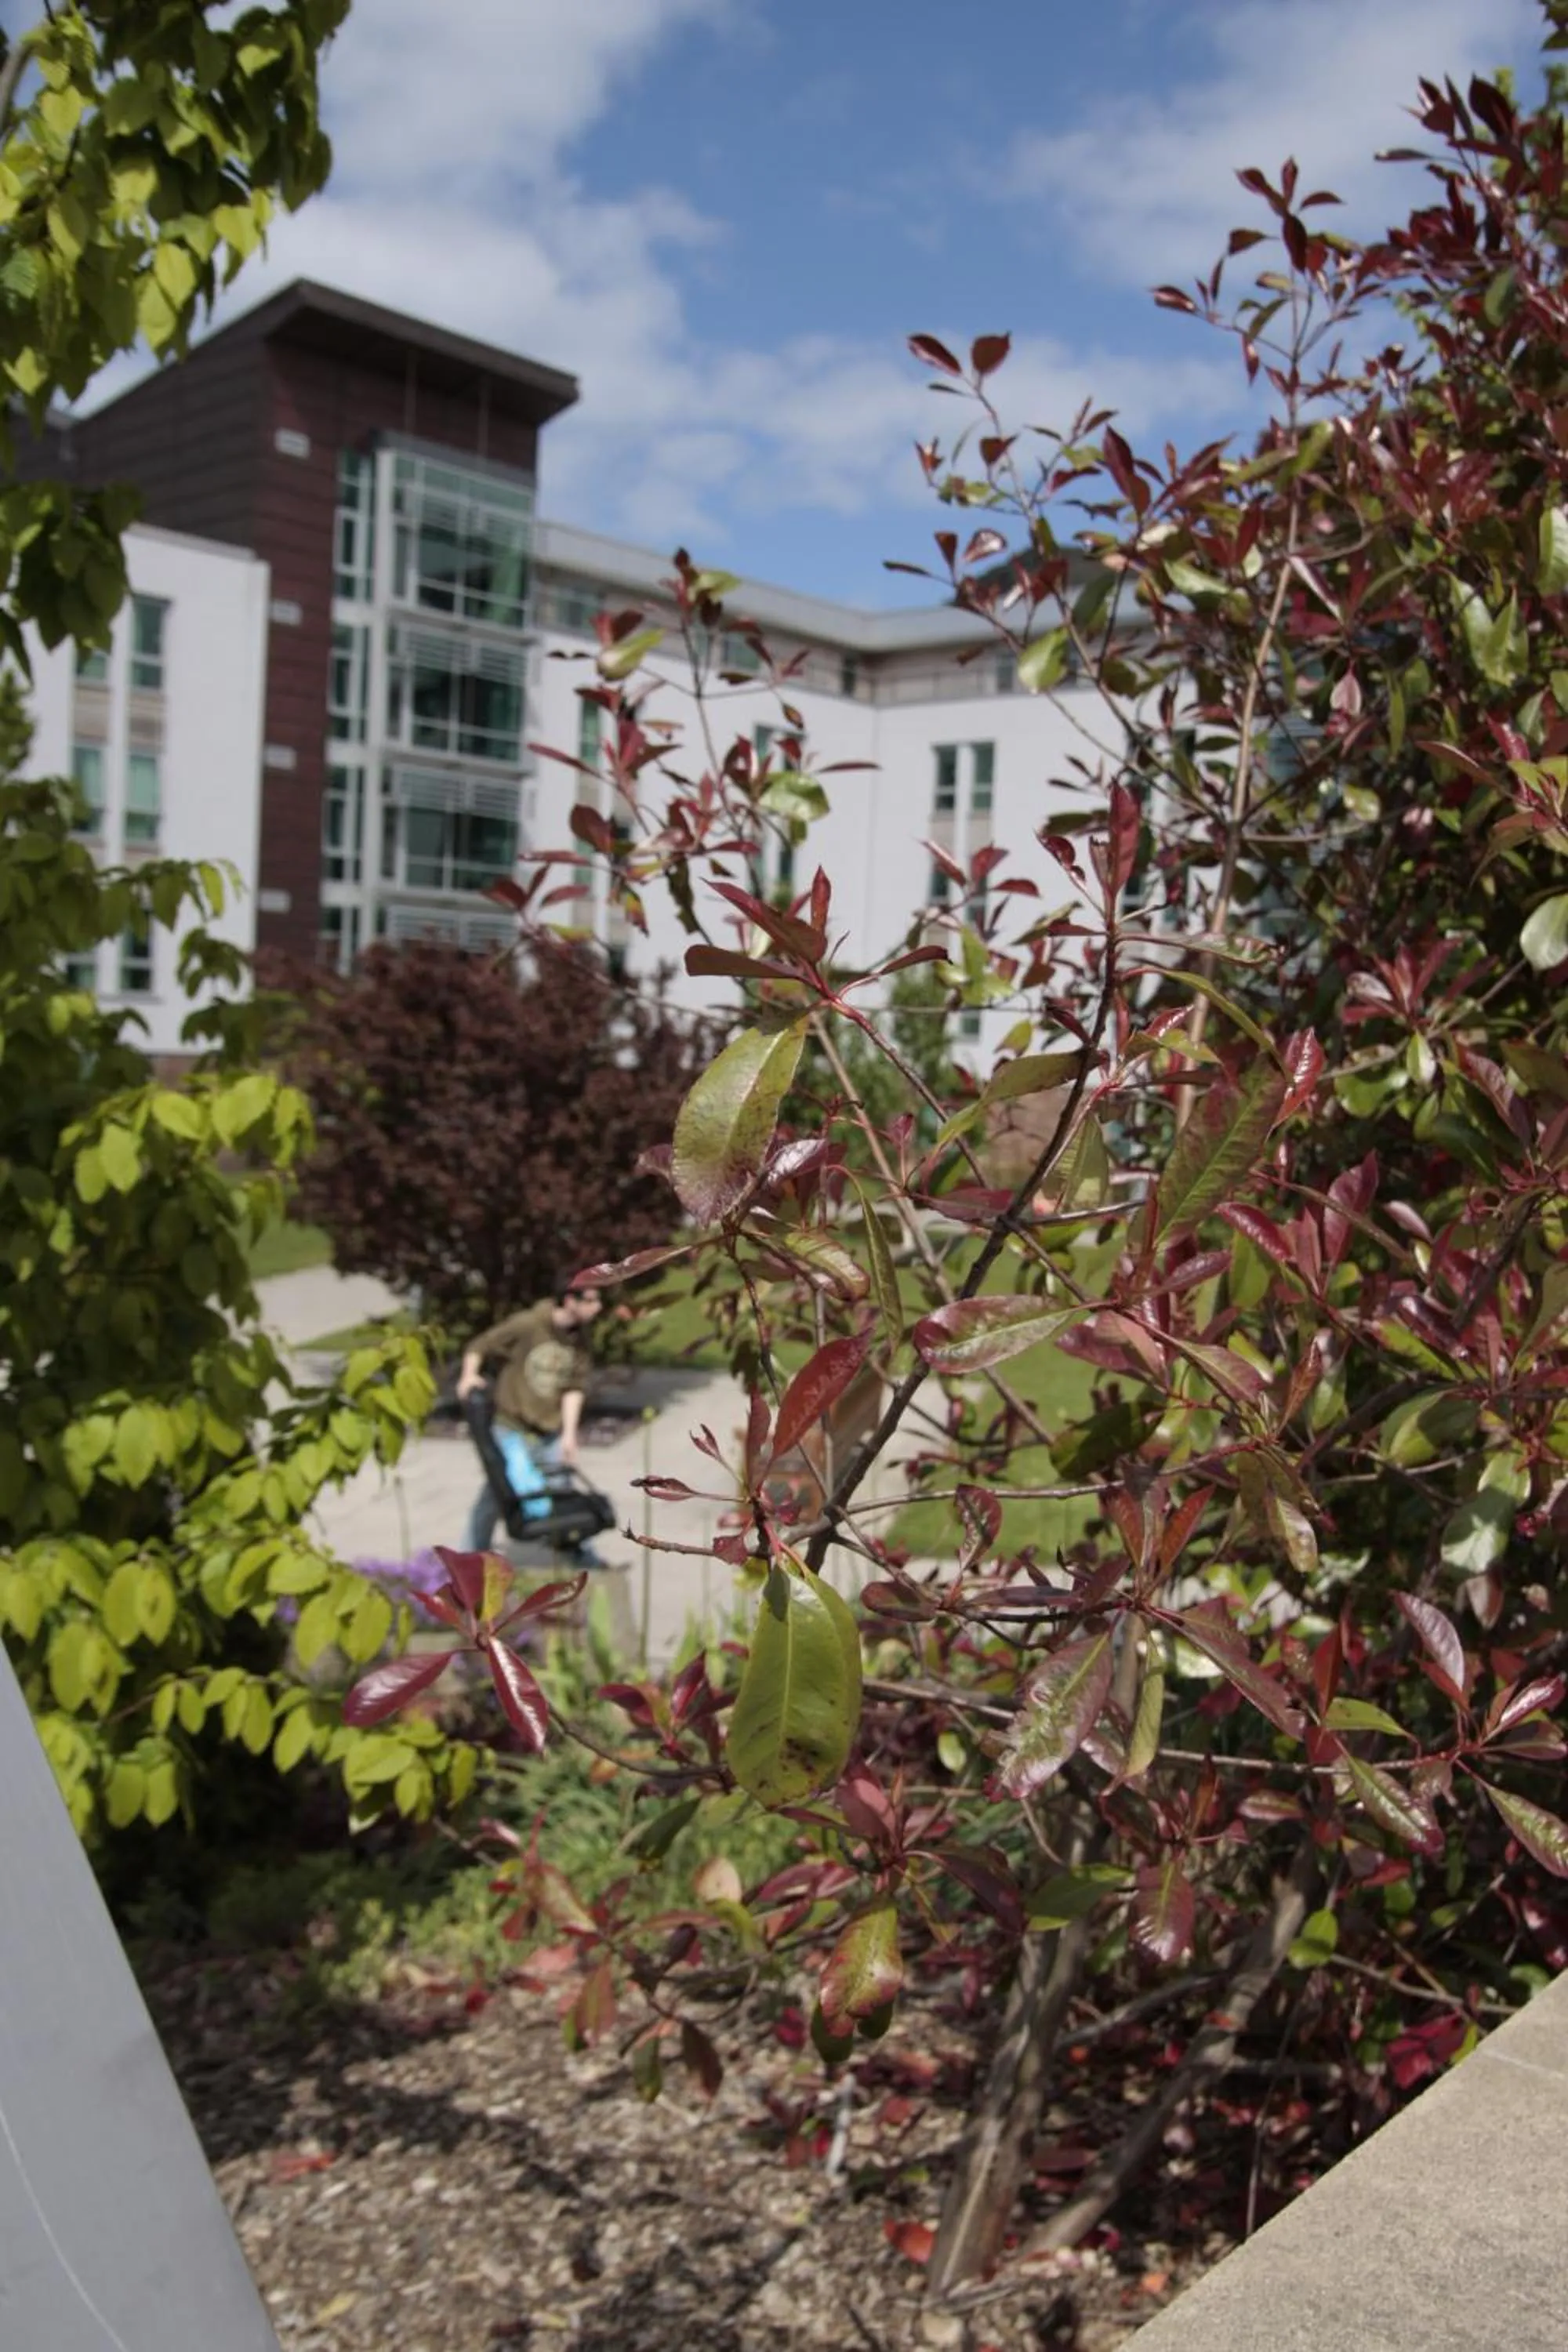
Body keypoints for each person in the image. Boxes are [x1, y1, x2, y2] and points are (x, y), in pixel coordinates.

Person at [457, 1276, 604, 1554]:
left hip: (548, 1431)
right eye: (591, 1300)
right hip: (511, 1426)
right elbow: (480, 1345)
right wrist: (469, 1376)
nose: (598, 1307)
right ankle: (469, 1555)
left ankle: (580, 1554)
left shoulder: (579, 1339)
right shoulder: (528, 1325)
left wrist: (569, 1435)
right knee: (501, 1492)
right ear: (570, 1301)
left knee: (562, 1487)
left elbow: (574, 1388)